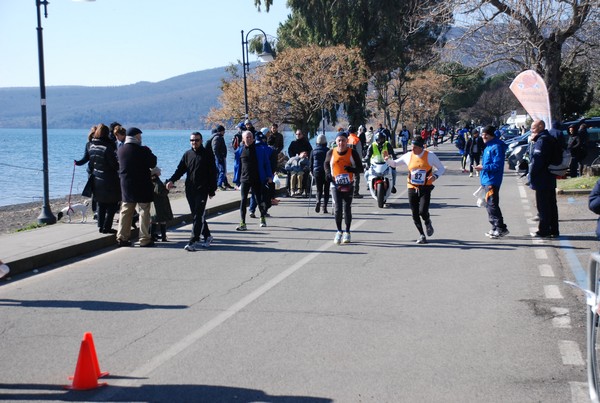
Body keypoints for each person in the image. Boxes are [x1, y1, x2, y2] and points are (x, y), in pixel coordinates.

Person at [385, 136, 445, 244]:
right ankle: (422, 235)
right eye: (412, 146)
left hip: (425, 187)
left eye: (415, 147)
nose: (413, 149)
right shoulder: (408, 156)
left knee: (423, 211)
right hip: (412, 187)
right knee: (414, 213)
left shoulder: (430, 156)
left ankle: (427, 221)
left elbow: (441, 168)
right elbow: (395, 164)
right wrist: (387, 160)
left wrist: (435, 176)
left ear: (421, 147)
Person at [166, 131, 217, 251]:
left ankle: (193, 242)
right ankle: (208, 236)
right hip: (190, 189)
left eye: (197, 140)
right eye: (192, 140)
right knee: (196, 215)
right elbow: (180, 170)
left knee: (198, 215)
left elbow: (212, 173)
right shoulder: (187, 154)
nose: (194, 142)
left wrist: (212, 189)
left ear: (201, 141)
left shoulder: (207, 154)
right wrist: (172, 180)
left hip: (202, 189)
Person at [116, 127, 158, 247]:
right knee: (144, 211)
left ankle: (122, 237)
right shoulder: (143, 150)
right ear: (136, 137)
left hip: (126, 185)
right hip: (142, 184)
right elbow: (153, 162)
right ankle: (144, 238)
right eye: (140, 136)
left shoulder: (121, 150)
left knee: (125, 211)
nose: (141, 138)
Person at [324, 131, 364, 244]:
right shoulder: (331, 152)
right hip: (335, 184)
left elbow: (360, 168)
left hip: (348, 184)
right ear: (336, 142)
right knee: (337, 208)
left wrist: (352, 170)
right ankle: (338, 231)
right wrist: (328, 174)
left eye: (343, 140)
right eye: (339, 140)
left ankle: (347, 232)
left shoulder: (352, 153)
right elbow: (326, 164)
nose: (341, 143)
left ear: (347, 141)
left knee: (347, 208)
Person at [474, 126, 509, 239]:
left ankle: (501, 228)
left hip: (492, 180)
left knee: (492, 205)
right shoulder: (488, 146)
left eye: (486, 134)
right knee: (489, 205)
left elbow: (497, 165)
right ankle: (494, 227)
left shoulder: (496, 147)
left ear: (492, 135)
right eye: (482, 134)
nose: (483, 136)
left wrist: (483, 167)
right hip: (486, 180)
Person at [235, 130, 273, 231]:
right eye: (246, 137)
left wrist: (270, 176)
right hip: (245, 179)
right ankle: (242, 222)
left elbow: (266, 163)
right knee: (243, 200)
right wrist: (236, 180)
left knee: (258, 199)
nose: (249, 139)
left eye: (250, 137)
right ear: (243, 139)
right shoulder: (239, 150)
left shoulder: (260, 150)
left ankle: (262, 218)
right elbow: (237, 166)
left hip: (257, 178)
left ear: (253, 138)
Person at [87, 124, 121, 234]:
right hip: (109, 179)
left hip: (97, 178)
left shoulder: (92, 146)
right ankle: (107, 226)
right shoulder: (107, 147)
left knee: (101, 203)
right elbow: (114, 165)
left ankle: (101, 226)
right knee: (112, 204)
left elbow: (91, 164)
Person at [528, 119, 559, 238]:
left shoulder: (541, 141)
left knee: (543, 206)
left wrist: (531, 175)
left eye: (533, 128)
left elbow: (537, 160)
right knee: (551, 204)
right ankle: (554, 230)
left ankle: (544, 231)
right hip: (550, 176)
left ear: (541, 127)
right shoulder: (550, 138)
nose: (531, 130)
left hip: (542, 177)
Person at [150, 167, 173, 242]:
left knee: (153, 220)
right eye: (159, 171)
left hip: (153, 202)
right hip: (161, 203)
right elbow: (160, 192)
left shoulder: (151, 179)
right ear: (156, 173)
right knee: (162, 220)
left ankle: (152, 236)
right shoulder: (157, 181)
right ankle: (164, 237)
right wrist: (167, 189)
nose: (160, 172)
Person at [287, 129, 313, 196]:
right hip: (294, 163)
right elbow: (289, 151)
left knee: (300, 175)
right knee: (292, 175)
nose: (298, 135)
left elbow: (310, 151)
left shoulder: (306, 143)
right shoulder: (293, 143)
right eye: (296, 134)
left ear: (302, 135)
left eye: (299, 134)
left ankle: (300, 189)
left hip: (303, 163)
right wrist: (293, 158)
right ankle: (292, 190)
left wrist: (306, 155)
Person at [309, 134, 331, 214]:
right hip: (326, 171)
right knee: (326, 190)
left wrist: (312, 172)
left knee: (319, 190)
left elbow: (311, 163)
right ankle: (324, 207)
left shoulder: (313, 151)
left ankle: (318, 200)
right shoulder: (328, 151)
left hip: (317, 172)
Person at [209, 125, 234, 190]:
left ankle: (225, 183)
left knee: (223, 171)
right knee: (222, 171)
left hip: (221, 157)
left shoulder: (219, 137)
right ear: (221, 131)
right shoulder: (217, 138)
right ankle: (219, 184)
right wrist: (218, 157)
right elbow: (215, 149)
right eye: (224, 131)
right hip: (219, 158)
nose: (224, 133)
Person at [347, 125, 364, 198]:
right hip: (355, 160)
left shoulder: (347, 139)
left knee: (348, 176)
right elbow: (359, 152)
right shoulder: (356, 140)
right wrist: (360, 162)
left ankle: (348, 190)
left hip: (347, 159)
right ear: (355, 131)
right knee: (356, 176)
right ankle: (355, 192)